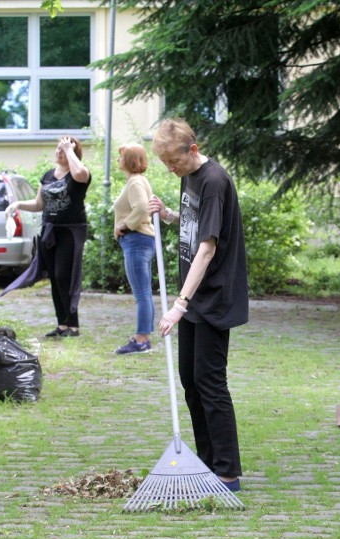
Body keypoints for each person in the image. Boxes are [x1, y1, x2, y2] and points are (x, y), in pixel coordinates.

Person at [147, 118, 248, 492]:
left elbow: (207, 247)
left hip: (212, 295)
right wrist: (170, 215)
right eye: (166, 165)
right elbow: (195, 224)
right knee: (190, 380)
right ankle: (205, 461)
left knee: (210, 382)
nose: (172, 170)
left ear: (193, 150)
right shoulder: (189, 177)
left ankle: (227, 471)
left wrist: (180, 304)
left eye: (175, 162)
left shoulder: (214, 181)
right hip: (193, 297)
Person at [1, 136, 91, 338]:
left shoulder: (79, 173)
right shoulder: (48, 175)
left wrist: (70, 150)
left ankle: (73, 326)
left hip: (70, 231)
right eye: (58, 148)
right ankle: (61, 324)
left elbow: (80, 173)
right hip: (50, 230)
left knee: (64, 275)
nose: (59, 151)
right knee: (54, 277)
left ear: (72, 153)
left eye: (63, 149)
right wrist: (17, 205)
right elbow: (38, 204)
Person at [113, 143, 155, 354]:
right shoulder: (137, 181)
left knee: (141, 293)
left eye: (120, 157)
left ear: (128, 160)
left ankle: (141, 340)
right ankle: (143, 337)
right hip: (140, 240)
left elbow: (142, 207)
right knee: (143, 291)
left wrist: (124, 224)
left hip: (136, 240)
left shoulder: (135, 183)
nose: (118, 160)